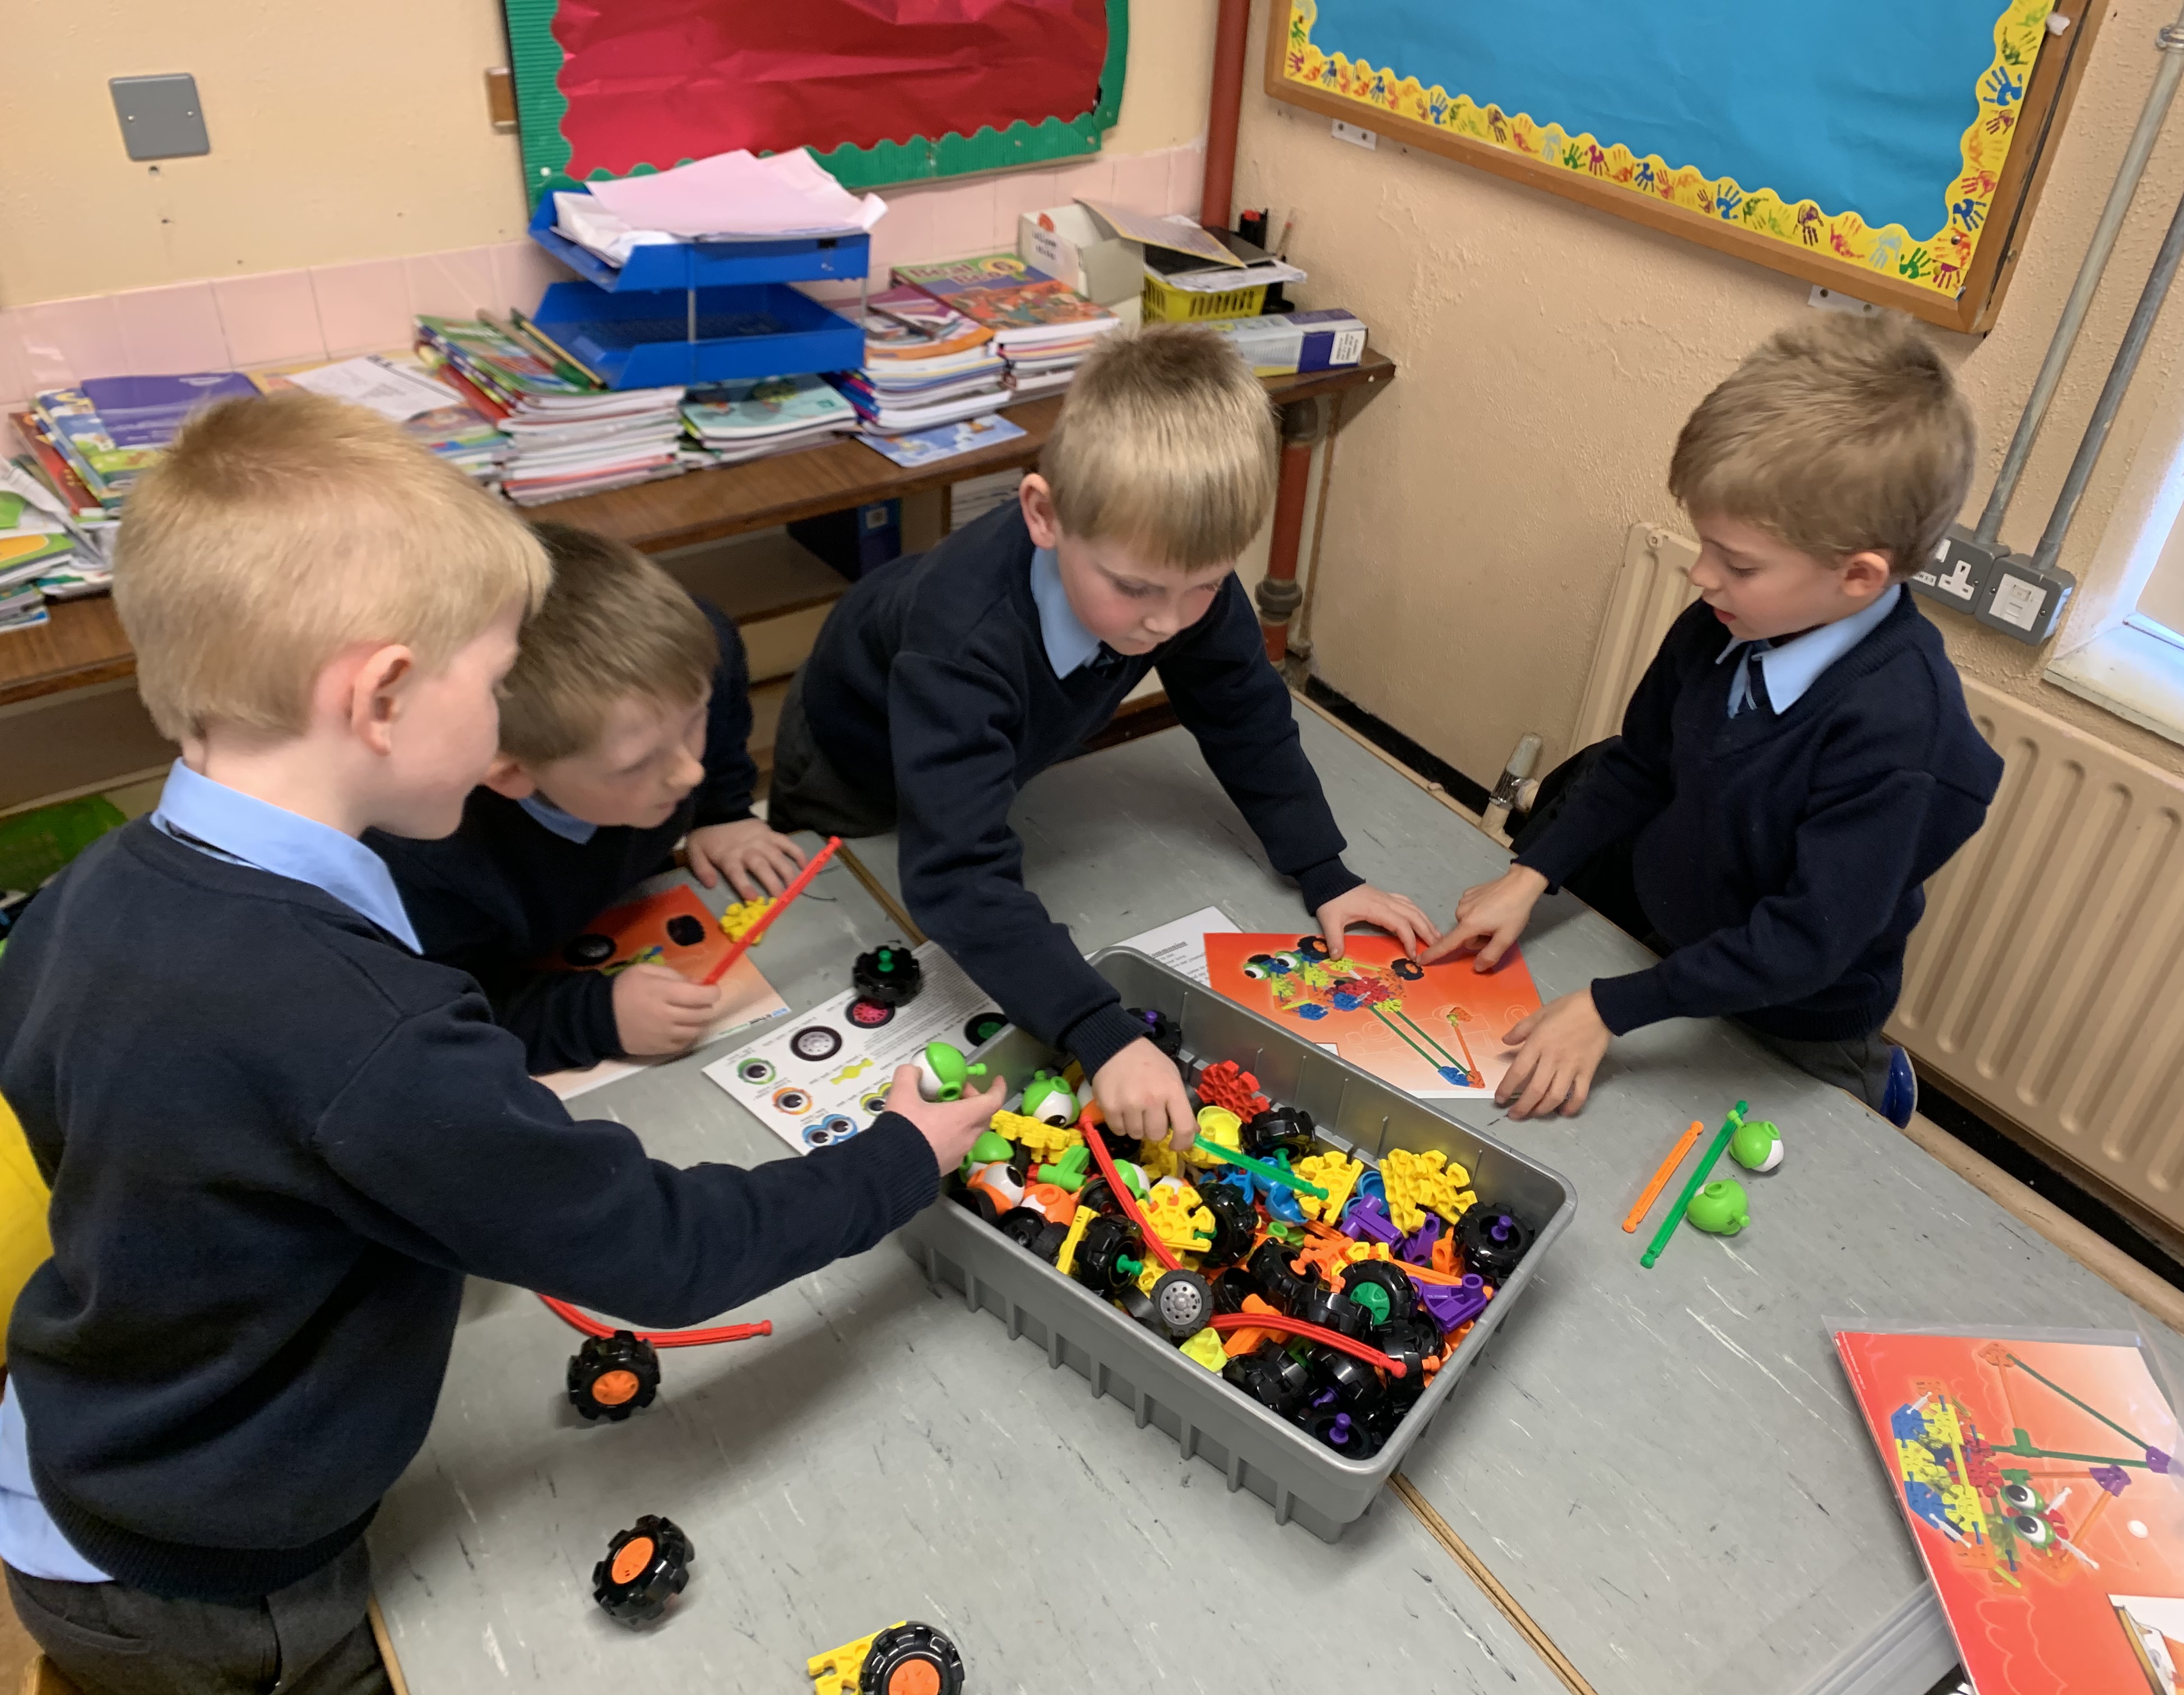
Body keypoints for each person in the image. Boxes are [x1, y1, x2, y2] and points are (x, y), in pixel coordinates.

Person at [0, 391, 1001, 1695]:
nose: (506, 721)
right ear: (385, 696)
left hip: (77, 1453)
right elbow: (664, 1249)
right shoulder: (369, 1030)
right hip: (219, 1574)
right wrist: (901, 1156)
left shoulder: (86, 895)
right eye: (496, 674)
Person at [768, 326, 1435, 1147]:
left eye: (1203, 587)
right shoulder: (960, 643)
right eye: (1135, 589)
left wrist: (1324, 870)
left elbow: (1243, 709)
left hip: (993, 752)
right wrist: (1100, 1030)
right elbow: (953, 878)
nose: (1166, 622)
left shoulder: (1173, 575)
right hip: (851, 763)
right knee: (840, 898)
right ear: (1045, 516)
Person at [1426, 314, 2002, 1122]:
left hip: (1794, 1015)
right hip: (1676, 944)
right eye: (1705, 545)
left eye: (1737, 562)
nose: (1701, 576)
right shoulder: (1733, 621)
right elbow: (1637, 763)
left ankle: (1874, 1080)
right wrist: (1531, 875)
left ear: (1858, 576)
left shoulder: (1902, 735)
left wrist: (1609, 1010)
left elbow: (1805, 942)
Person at [370, 524, 805, 1073]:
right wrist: (595, 1017)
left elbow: (713, 684)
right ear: (508, 774)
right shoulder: (420, 862)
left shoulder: (686, 658)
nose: (686, 772)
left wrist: (724, 810)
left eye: (692, 722)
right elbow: (437, 1018)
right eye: (639, 763)